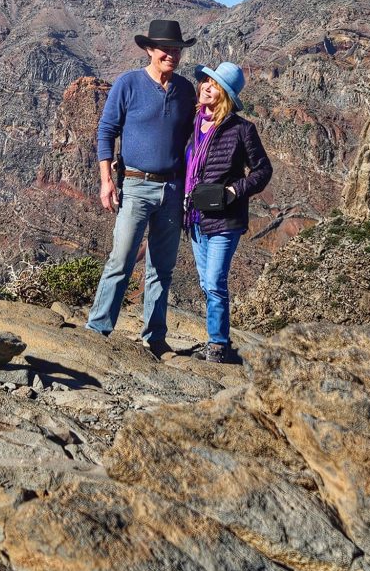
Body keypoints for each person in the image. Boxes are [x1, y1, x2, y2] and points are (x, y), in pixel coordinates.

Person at [86, 19, 196, 355]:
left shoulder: (186, 90)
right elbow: (106, 132)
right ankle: (97, 331)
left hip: (172, 190)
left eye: (176, 50)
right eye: (165, 49)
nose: (171, 55)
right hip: (135, 185)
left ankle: (155, 338)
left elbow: (197, 137)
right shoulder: (129, 84)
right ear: (149, 49)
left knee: (162, 268)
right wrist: (106, 181)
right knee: (121, 260)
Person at [184, 61, 272, 363]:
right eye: (206, 82)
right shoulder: (192, 123)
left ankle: (219, 345)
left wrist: (235, 191)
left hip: (225, 219)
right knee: (205, 283)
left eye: (215, 85)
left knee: (214, 282)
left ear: (226, 95)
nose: (207, 87)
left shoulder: (241, 129)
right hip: (195, 218)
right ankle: (215, 340)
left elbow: (263, 170)